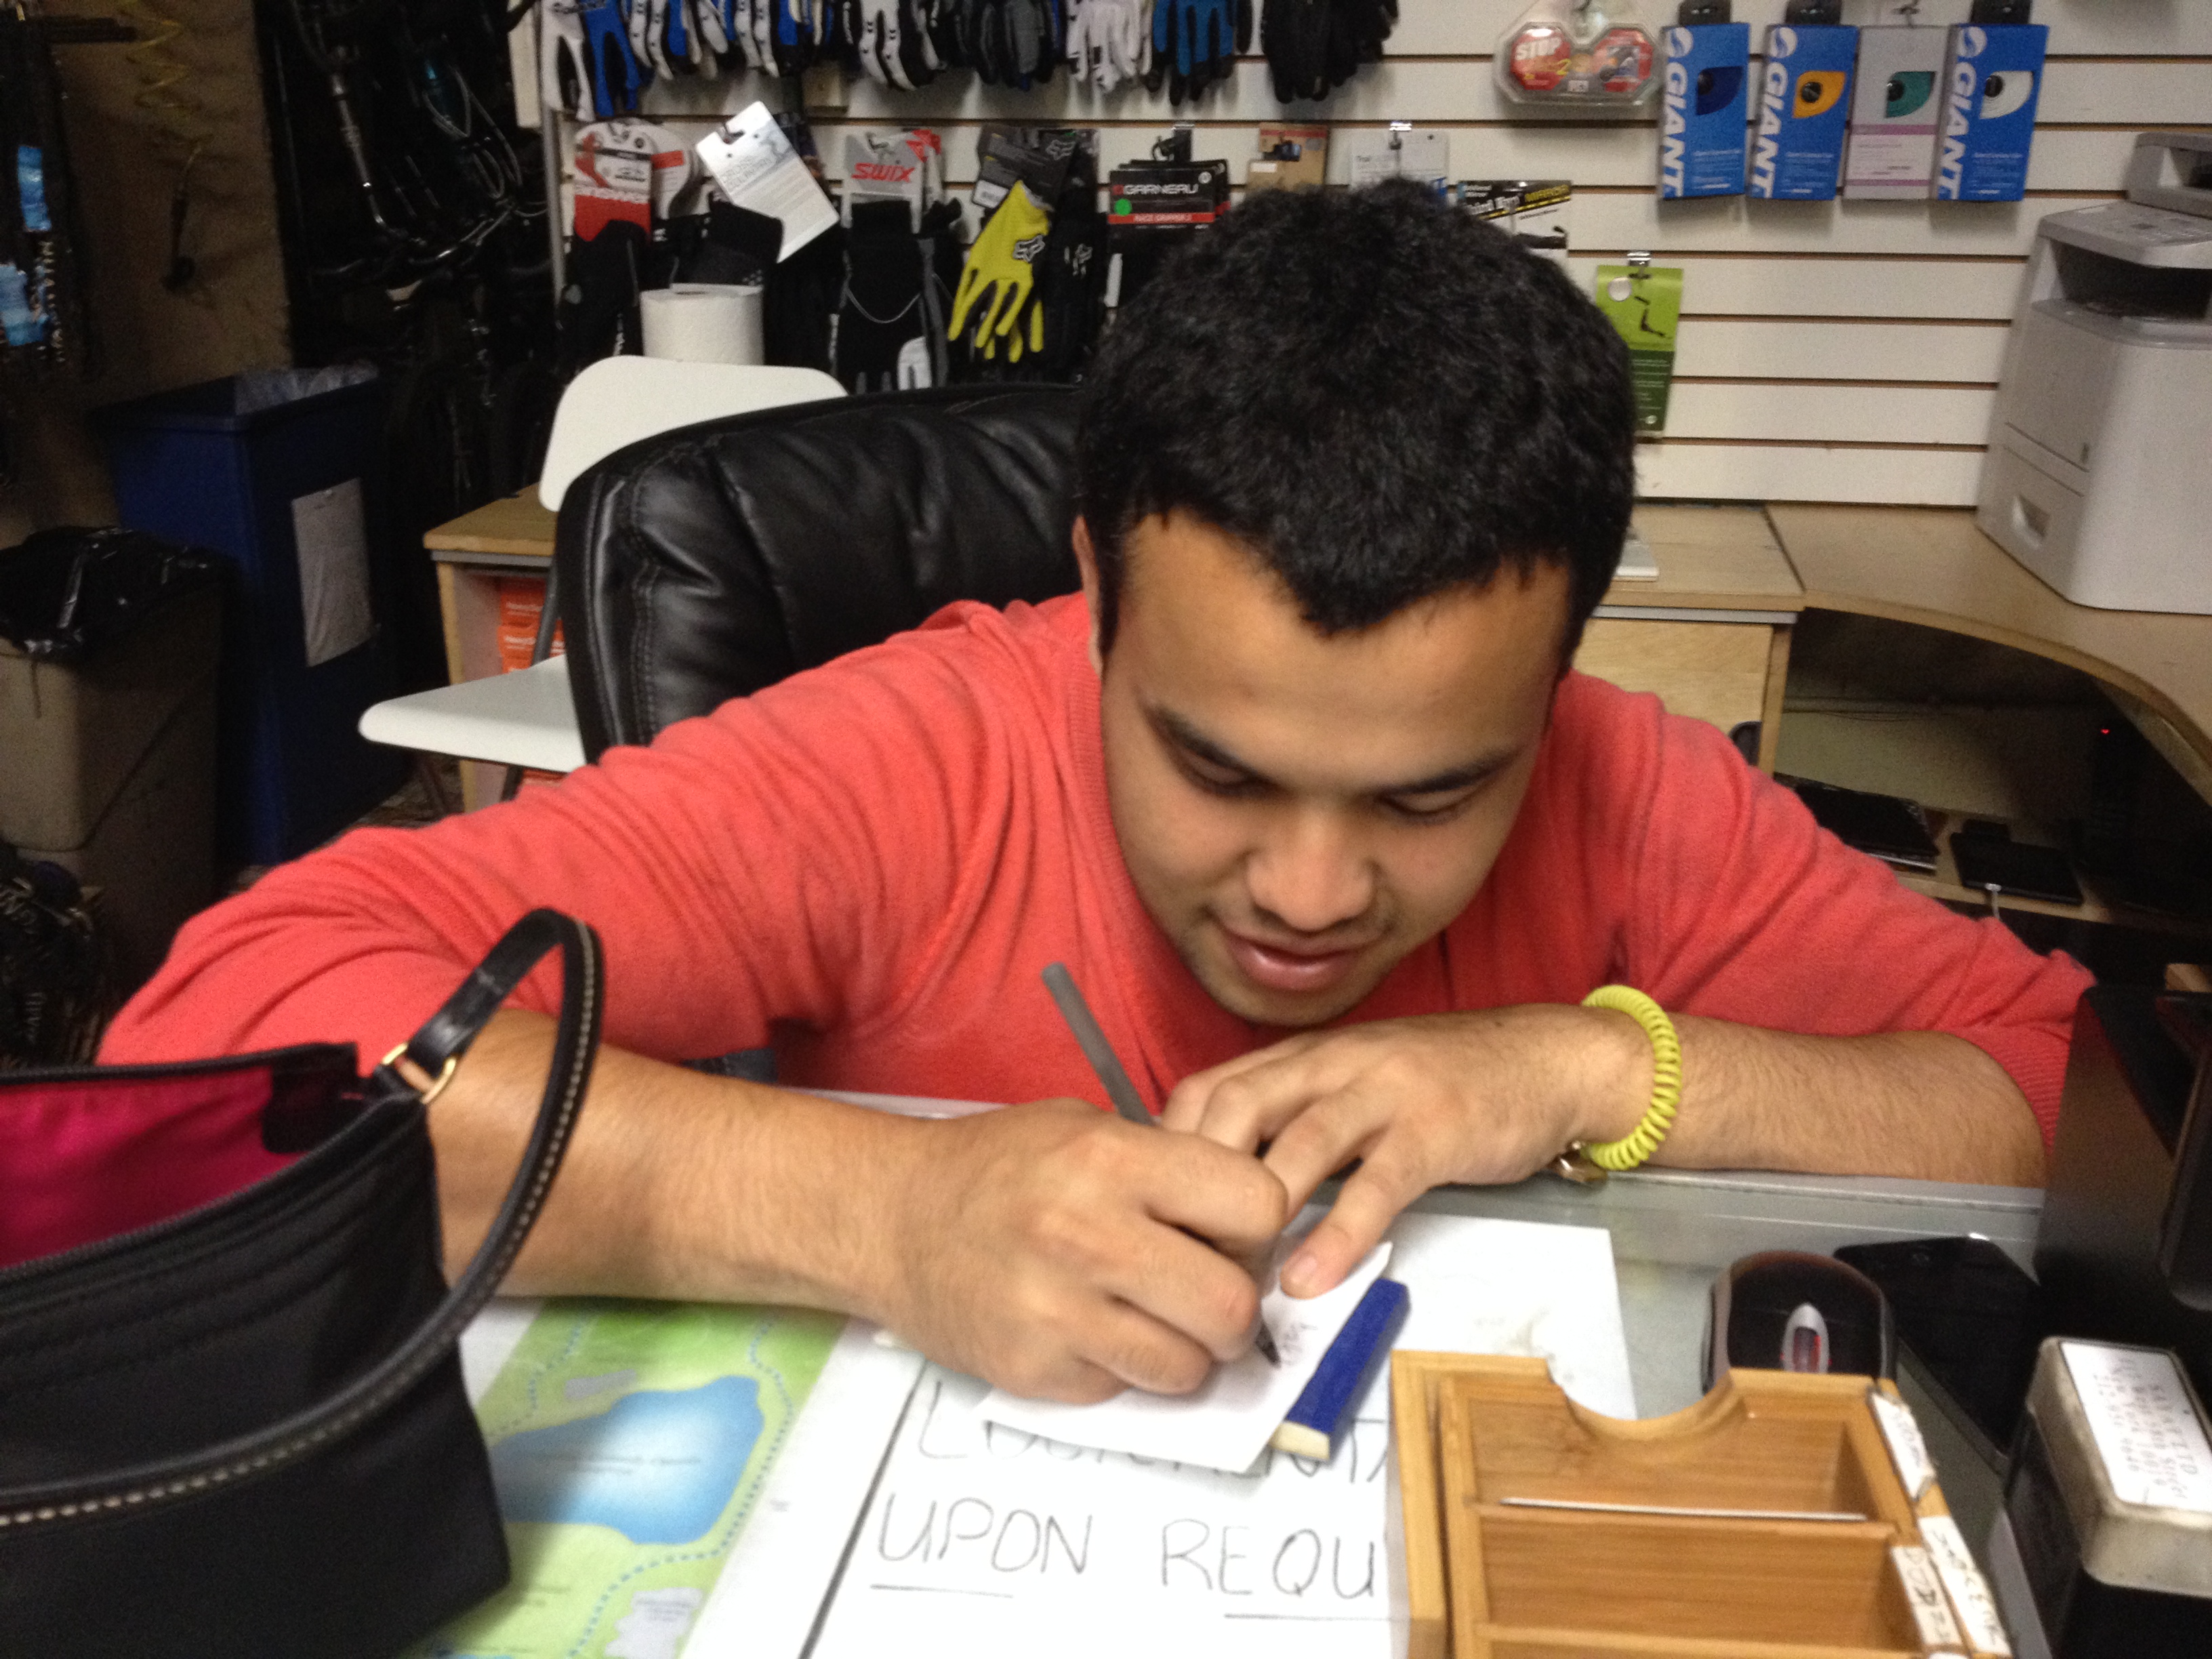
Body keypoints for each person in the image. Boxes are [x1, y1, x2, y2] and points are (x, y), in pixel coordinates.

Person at [105, 183, 2089, 1406]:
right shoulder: (917, 759)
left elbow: (2077, 1112)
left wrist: (1591, 1067)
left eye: (1430, 797)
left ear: (1556, 678)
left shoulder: (1631, 787)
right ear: (1096, 599)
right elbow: (216, 1047)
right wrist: (883, 1208)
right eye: (1215, 764)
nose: (1309, 890)